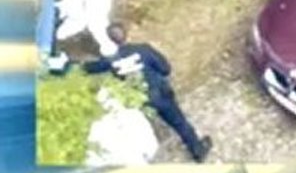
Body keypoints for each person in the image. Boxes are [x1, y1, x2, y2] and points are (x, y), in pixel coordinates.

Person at [81, 23, 212, 163]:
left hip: (140, 100)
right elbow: (166, 69)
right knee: (179, 122)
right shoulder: (143, 50)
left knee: (148, 122)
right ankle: (197, 150)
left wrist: (66, 64)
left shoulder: (110, 61)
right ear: (126, 34)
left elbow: (88, 68)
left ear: (109, 40)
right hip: (160, 93)